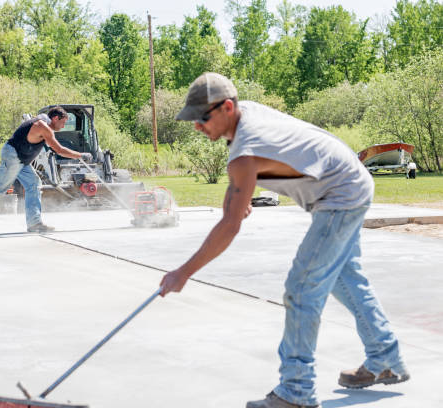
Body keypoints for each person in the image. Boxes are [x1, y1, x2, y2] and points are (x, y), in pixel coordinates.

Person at [159, 72, 409, 408]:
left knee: (303, 287)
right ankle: (385, 359)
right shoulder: (244, 119)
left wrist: (183, 273)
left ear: (227, 107)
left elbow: (230, 225)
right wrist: (236, 199)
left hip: (340, 194)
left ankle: (296, 391)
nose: (197, 127)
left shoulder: (245, 149)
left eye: (202, 118)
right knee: (344, 278)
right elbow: (241, 184)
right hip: (348, 181)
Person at [0, 106, 92, 235]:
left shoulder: (44, 124)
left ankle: (35, 223)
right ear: (55, 118)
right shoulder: (43, 127)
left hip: (21, 159)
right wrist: (81, 155)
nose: (62, 126)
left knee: (34, 183)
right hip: (14, 156)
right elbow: (59, 150)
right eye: (63, 123)